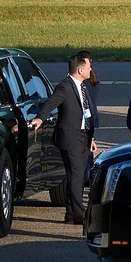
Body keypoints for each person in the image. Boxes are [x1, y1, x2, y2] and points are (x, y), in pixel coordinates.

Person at [29, 54, 98, 224]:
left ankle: (70, 214)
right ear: (80, 69)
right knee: (76, 176)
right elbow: (50, 103)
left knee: (78, 175)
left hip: (83, 137)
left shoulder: (82, 86)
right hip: (70, 138)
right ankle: (80, 214)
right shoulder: (64, 87)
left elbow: (85, 113)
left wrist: (91, 137)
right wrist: (39, 118)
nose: (91, 70)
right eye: (89, 66)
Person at [73, 49, 100, 187]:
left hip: (86, 120)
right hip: (91, 118)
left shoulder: (84, 84)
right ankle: (87, 175)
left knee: (85, 149)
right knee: (89, 148)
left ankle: (85, 176)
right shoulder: (93, 81)